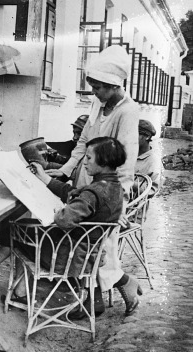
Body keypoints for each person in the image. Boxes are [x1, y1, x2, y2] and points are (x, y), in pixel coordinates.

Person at [0, 137, 142, 318]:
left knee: (15, 230)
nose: (85, 162)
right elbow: (72, 194)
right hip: (87, 253)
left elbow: (64, 219)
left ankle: (15, 288)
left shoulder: (95, 191)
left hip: (68, 257)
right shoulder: (113, 188)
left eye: (89, 158)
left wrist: (57, 210)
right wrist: (44, 178)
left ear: (103, 161)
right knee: (25, 230)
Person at [44, 45, 140, 298]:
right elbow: (83, 142)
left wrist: (121, 202)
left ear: (113, 85)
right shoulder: (99, 105)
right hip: (87, 181)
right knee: (84, 244)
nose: (94, 93)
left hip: (108, 189)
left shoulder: (128, 111)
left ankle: (121, 283)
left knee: (98, 245)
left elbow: (127, 160)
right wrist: (64, 171)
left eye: (98, 88)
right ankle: (93, 300)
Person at [135, 119, 162, 192]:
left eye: (135, 134)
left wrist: (128, 184)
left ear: (147, 137)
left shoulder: (153, 160)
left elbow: (152, 190)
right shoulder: (126, 154)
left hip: (137, 202)